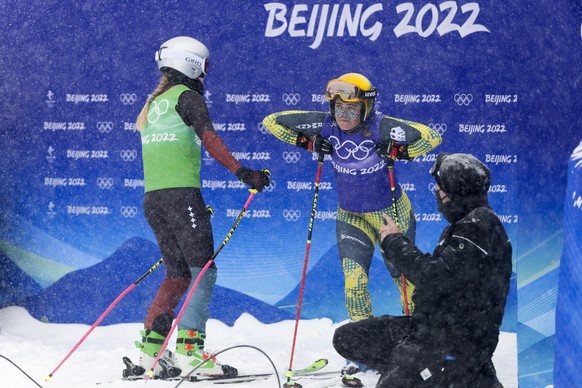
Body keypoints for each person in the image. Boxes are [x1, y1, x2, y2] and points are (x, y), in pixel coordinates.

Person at [262, 73, 442, 377]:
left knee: (406, 281)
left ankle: (421, 345)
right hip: (350, 215)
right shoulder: (327, 125)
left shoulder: (381, 125)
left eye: (352, 109)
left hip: (391, 214)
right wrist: (307, 142)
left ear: (366, 109)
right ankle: (363, 352)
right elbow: (272, 121)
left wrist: (399, 151)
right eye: (338, 108)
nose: (343, 116)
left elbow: (431, 137)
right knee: (354, 284)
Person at [133, 36, 270, 378]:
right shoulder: (187, 97)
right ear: (191, 63)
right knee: (203, 271)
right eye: (205, 66)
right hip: (183, 197)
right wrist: (244, 173)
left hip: (154, 199)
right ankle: (190, 354)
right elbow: (209, 139)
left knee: (177, 274)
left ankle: (149, 355)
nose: (206, 73)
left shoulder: (154, 104)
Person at [333, 153, 512, 387]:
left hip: (455, 344)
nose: (437, 193)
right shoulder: (466, 224)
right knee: (348, 338)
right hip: (429, 329)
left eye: (440, 188)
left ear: (454, 191)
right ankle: (416, 369)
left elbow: (434, 278)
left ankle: (458, 372)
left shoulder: (478, 227)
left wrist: (395, 243)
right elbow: (442, 277)